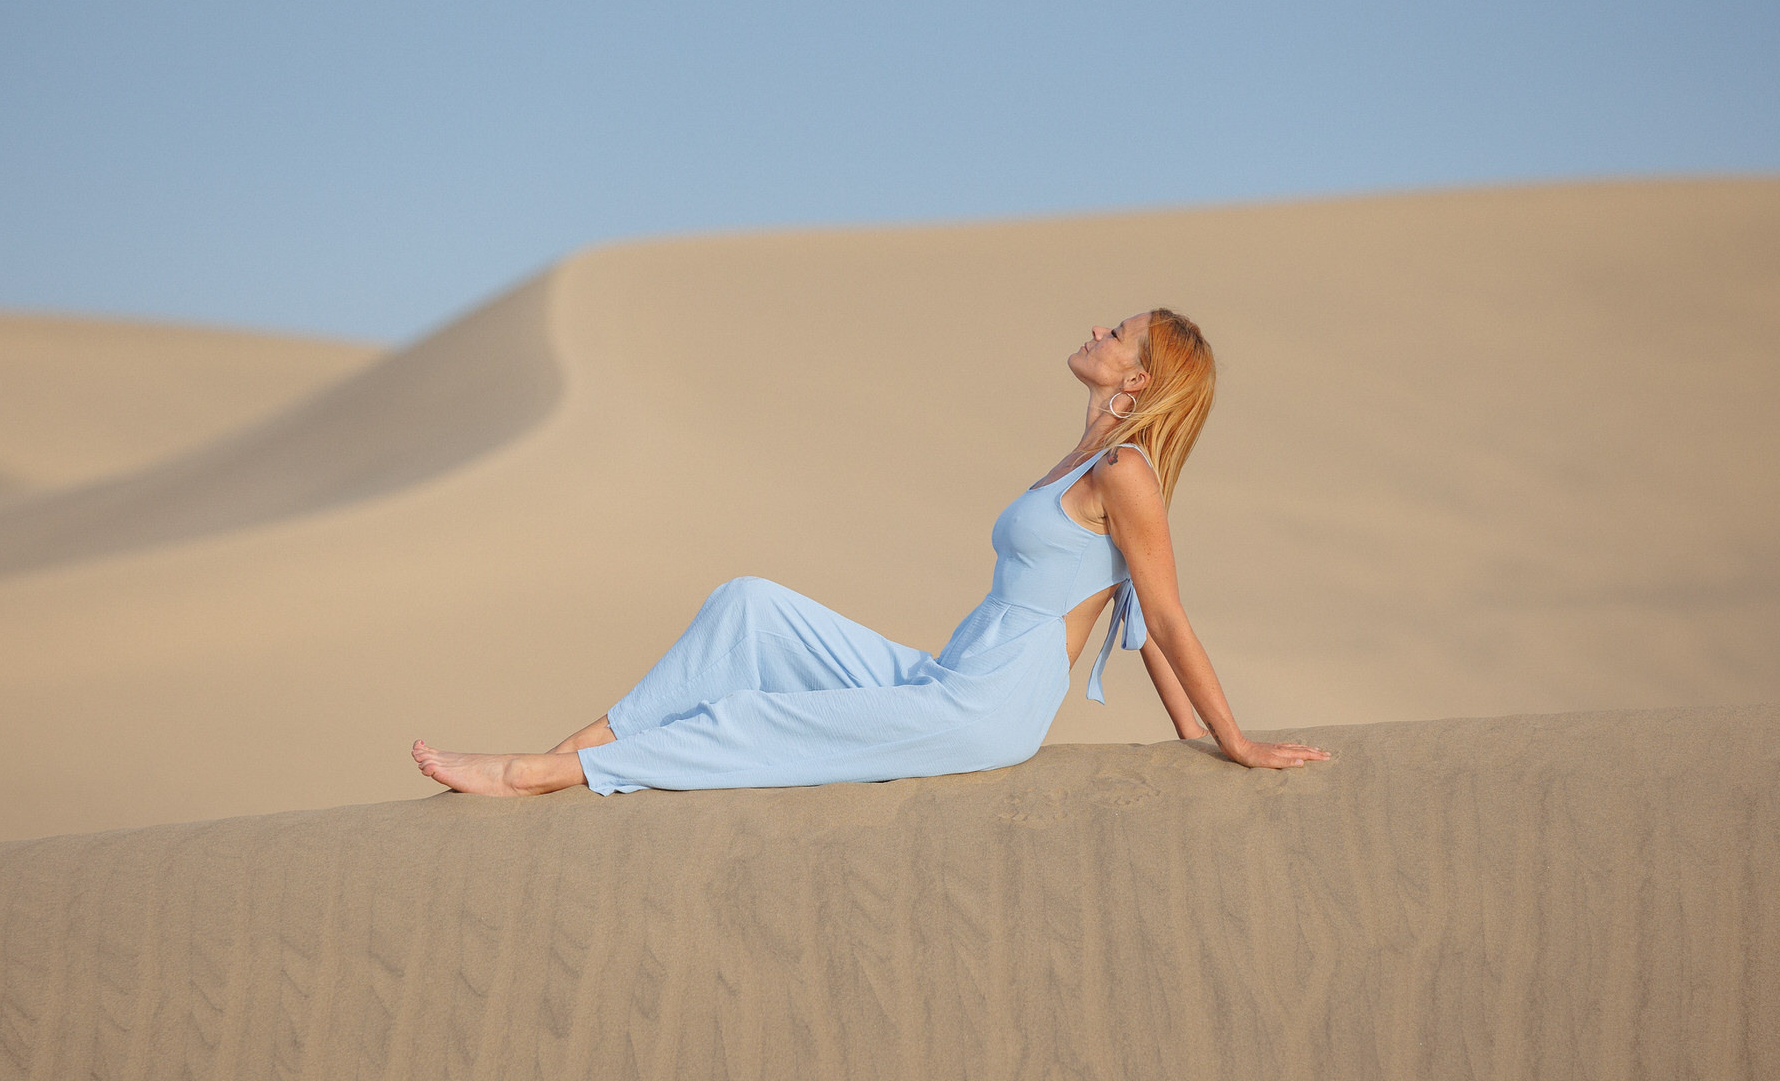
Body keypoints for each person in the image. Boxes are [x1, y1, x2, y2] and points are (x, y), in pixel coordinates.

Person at [411, 308, 1332, 797]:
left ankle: (541, 775)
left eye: (1119, 333)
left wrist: (1231, 742)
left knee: (758, 723)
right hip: (946, 675)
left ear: (1137, 378)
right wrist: (1194, 736)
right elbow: (1131, 607)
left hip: (984, 712)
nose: (1098, 326)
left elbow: (1162, 615)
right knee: (749, 607)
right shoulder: (1090, 459)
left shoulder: (1129, 473)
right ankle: (585, 743)